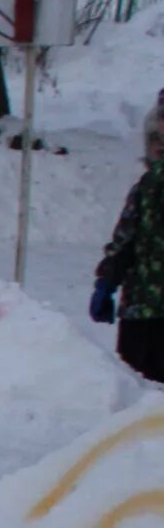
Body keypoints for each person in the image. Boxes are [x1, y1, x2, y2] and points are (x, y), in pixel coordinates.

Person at [90, 87, 164, 386]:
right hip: (142, 315)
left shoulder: (151, 182)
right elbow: (128, 238)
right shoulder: (149, 184)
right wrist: (107, 281)